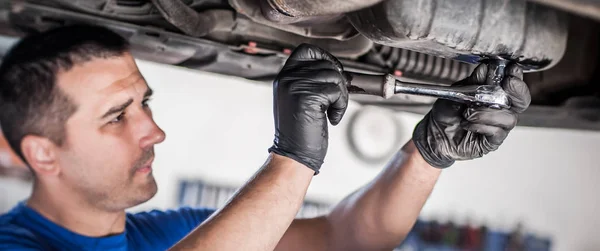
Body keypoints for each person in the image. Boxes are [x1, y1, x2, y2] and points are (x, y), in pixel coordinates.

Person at [0, 24, 530, 251]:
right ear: (42, 152)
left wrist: (429, 153)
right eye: (117, 116)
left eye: (146, 103)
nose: (154, 131)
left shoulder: (176, 233)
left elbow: (348, 240)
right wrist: (293, 159)